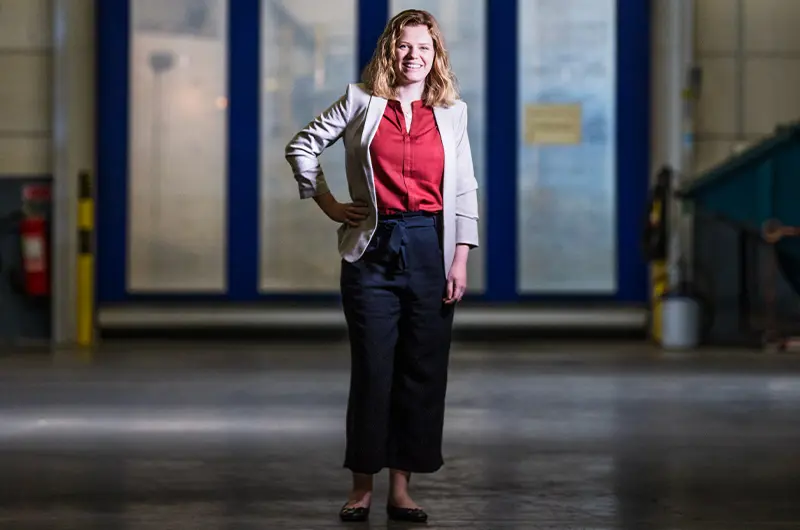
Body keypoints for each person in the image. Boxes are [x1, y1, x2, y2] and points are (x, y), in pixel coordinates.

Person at [285, 9, 479, 523]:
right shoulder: (360, 101)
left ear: (436, 56)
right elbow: (302, 146)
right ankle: (361, 487)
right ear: (389, 50)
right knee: (374, 370)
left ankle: (401, 489)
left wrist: (460, 258)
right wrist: (327, 202)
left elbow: (464, 188)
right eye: (404, 46)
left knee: (421, 372)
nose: (413, 56)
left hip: (431, 248)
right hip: (372, 250)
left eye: (424, 47)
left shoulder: (453, 112)